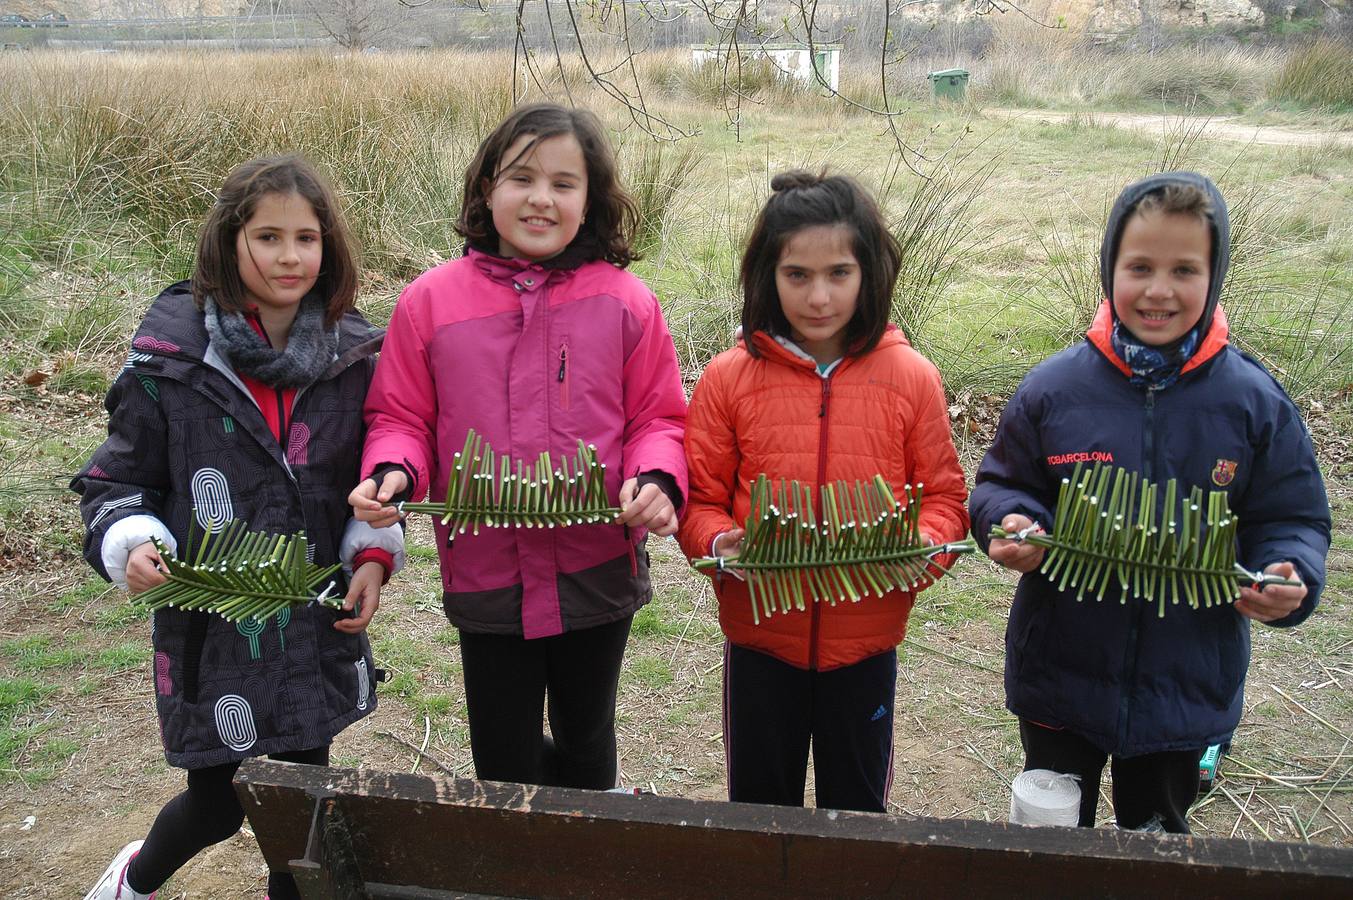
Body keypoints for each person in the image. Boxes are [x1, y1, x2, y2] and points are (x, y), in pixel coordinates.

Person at [74, 155, 404, 900]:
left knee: (300, 808)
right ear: (230, 242)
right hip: (212, 630)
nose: (290, 257)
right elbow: (114, 482)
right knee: (218, 806)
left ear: (328, 247)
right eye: (268, 237)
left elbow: (374, 482)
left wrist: (372, 555)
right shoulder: (172, 364)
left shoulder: (354, 358)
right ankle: (134, 879)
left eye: (306, 238)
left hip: (313, 621)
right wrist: (132, 540)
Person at [970, 171, 1330, 833]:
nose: (1158, 290)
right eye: (1139, 267)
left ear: (1213, 277)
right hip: (1061, 674)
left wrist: (1288, 572)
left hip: (1184, 688)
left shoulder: (1253, 402)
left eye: (1183, 270)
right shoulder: (1053, 390)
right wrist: (1012, 521)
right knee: (1050, 839)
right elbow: (1002, 484)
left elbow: (1292, 517)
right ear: (1109, 268)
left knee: (1156, 844)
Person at [349, 103, 686, 790]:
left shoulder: (626, 303)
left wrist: (656, 478)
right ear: (487, 189)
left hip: (597, 567)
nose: (541, 198)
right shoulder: (429, 303)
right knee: (503, 756)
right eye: (522, 178)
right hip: (486, 572)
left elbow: (658, 419)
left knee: (587, 739)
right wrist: (392, 470)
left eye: (563, 183)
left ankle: (588, 840)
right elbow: (401, 416)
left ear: (589, 200)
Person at [677, 171, 969, 813]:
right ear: (767, 276)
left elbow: (946, 502)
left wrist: (923, 547)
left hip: (866, 642)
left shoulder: (911, 377)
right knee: (760, 808)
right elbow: (699, 502)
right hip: (761, 640)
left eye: (839, 273)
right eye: (797, 275)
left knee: (856, 814)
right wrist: (720, 544)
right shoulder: (728, 379)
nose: (818, 297)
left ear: (869, 272)